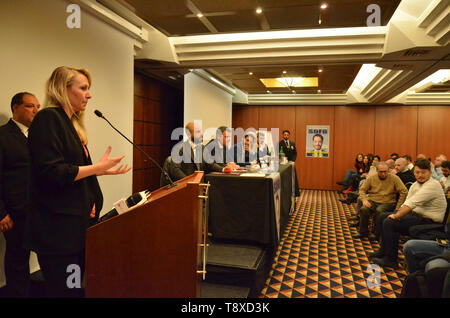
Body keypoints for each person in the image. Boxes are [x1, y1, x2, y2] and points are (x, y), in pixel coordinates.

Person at [25, 66, 131, 297]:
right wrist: (96, 168)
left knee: (74, 290)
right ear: (63, 89)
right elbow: (51, 172)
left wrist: (98, 172)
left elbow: (69, 171)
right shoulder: (48, 118)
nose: (89, 95)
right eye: (83, 88)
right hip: (58, 232)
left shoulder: (69, 122)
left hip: (76, 229)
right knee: (63, 291)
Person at [370, 159, 447, 268]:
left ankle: (391, 259)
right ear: (413, 172)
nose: (420, 175)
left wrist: (397, 216)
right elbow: (407, 202)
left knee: (389, 222)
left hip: (430, 222)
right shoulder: (416, 184)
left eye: (423, 172)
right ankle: (383, 250)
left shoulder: (432, 185)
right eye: (417, 172)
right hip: (417, 216)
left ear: (430, 172)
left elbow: (411, 203)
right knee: (382, 216)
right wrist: (396, 213)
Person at [0, 92, 40, 297]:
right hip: (15, 211)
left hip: (41, 208)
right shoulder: (3, 135)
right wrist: (1, 213)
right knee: (18, 259)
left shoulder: (39, 135)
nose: (36, 110)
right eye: (30, 106)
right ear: (15, 108)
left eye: (38, 106)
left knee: (48, 256)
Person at [353, 162, 408, 239]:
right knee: (363, 209)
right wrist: (364, 200)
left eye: (385, 171)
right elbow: (362, 190)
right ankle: (363, 232)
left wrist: (398, 206)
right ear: (377, 170)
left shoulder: (394, 178)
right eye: (381, 172)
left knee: (379, 210)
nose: (383, 174)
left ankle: (376, 233)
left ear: (388, 170)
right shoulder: (372, 178)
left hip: (388, 202)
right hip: (373, 200)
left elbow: (404, 191)